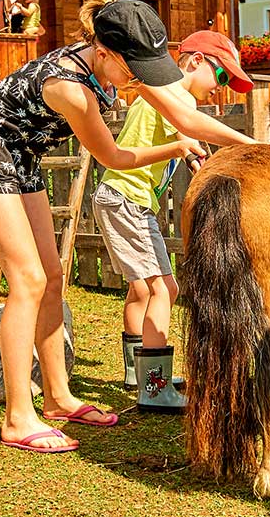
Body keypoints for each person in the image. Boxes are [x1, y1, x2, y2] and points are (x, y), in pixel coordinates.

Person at [0, 0, 256, 453]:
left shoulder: (118, 60)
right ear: (105, 52)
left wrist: (253, 148)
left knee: (52, 277)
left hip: (23, 157)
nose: (137, 79)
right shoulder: (70, 89)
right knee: (28, 280)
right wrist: (174, 149)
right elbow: (113, 156)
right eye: (132, 68)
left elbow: (185, 116)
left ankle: (57, 398)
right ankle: (18, 417)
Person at [94, 29, 253, 413]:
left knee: (141, 290)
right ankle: (155, 388)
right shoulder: (173, 96)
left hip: (118, 197)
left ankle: (140, 373)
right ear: (196, 61)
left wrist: (191, 155)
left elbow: (188, 145)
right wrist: (251, 148)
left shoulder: (164, 97)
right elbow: (190, 134)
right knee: (165, 290)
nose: (221, 88)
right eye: (220, 77)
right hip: (128, 200)